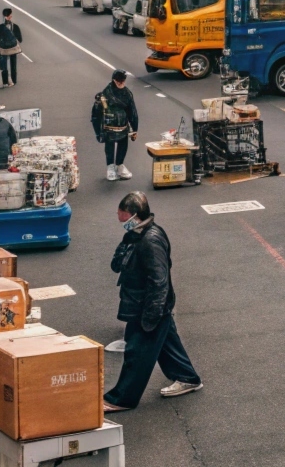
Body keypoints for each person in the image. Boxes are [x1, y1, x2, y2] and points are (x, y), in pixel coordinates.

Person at [102, 192, 202, 411]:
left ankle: (122, 399)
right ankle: (187, 377)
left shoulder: (151, 240)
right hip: (148, 304)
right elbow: (116, 265)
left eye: (122, 214)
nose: (119, 218)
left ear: (134, 215)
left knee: (137, 352)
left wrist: (151, 316)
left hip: (147, 307)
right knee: (167, 343)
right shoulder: (137, 235)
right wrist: (126, 242)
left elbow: (159, 281)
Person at [91, 70, 139, 181]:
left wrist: (135, 129)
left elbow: (132, 111)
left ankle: (120, 165)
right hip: (109, 128)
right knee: (110, 147)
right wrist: (98, 132)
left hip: (123, 127)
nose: (121, 83)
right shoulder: (105, 94)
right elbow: (96, 114)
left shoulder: (127, 94)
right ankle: (110, 167)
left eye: (123, 81)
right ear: (114, 80)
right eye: (118, 81)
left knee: (123, 146)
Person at [0, 9, 23, 88]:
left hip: (3, 49)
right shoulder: (15, 27)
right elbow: (20, 39)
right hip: (13, 48)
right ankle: (14, 80)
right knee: (13, 64)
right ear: (10, 16)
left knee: (4, 66)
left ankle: (5, 82)